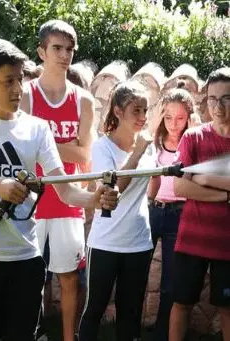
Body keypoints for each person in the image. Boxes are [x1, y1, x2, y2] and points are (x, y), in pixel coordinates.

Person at [0, 36, 119, 341]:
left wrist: (95, 199)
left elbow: (65, 190)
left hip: (26, 261)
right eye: (7, 82)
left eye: (19, 79)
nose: (18, 89)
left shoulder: (37, 128)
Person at [21, 20, 95, 341]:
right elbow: (23, 152)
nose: (64, 55)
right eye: (57, 48)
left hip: (69, 200)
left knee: (69, 278)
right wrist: (58, 146)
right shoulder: (25, 94)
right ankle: (29, 333)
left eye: (69, 49)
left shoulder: (84, 101)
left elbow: (84, 155)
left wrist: (43, 139)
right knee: (27, 278)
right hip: (32, 202)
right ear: (41, 51)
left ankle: (69, 337)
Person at [79, 80, 155, 341]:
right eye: (136, 110)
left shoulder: (148, 147)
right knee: (94, 310)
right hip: (105, 243)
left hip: (139, 242)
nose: (143, 117)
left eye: (146, 111)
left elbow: (150, 188)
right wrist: (135, 154)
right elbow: (112, 192)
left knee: (130, 314)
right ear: (118, 111)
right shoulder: (102, 147)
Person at [169, 67, 230, 341]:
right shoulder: (193, 137)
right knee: (181, 303)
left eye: (226, 98)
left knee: (228, 309)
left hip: (227, 243)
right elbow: (180, 186)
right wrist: (225, 195)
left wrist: (204, 178)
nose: (219, 106)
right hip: (192, 238)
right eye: (213, 99)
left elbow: (193, 182)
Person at [147, 88, 194, 341]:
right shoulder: (155, 143)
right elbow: (153, 180)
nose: (174, 124)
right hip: (155, 211)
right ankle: (130, 328)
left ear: (189, 118)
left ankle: (162, 332)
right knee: (137, 270)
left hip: (179, 214)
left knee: (170, 280)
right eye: (168, 117)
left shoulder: (193, 143)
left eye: (180, 118)